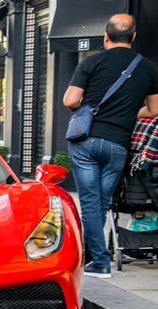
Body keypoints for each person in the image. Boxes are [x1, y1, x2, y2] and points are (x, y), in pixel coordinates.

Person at [63, 13, 158, 279]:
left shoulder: (92, 61)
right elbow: (154, 109)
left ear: (106, 35)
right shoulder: (148, 67)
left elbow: (70, 101)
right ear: (134, 37)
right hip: (118, 143)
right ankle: (93, 256)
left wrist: (92, 109)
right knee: (100, 203)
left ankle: (100, 261)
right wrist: (127, 114)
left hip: (87, 140)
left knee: (91, 203)